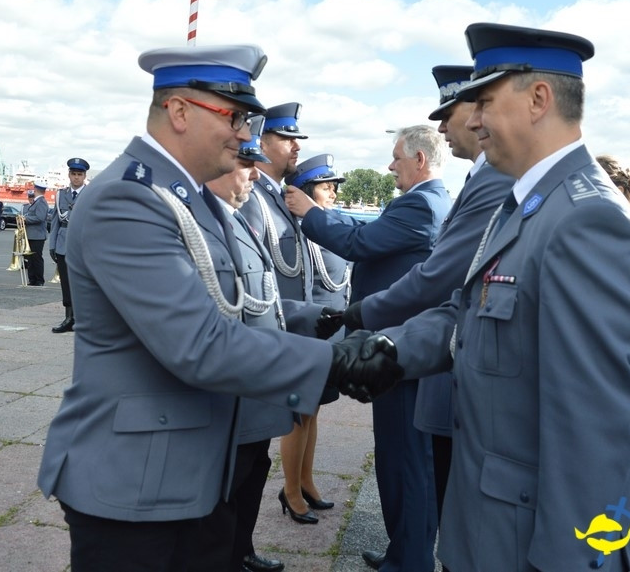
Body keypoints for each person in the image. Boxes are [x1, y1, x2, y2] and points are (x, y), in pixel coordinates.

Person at [36, 44, 398, 572]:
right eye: (235, 117)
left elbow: (236, 306)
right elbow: (197, 343)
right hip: (135, 484)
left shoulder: (193, 199)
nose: (247, 136)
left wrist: (306, 322)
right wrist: (334, 363)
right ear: (180, 112)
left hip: (196, 469)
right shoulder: (130, 200)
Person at [349, 23, 630, 571]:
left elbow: (592, 432)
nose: (474, 119)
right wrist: (389, 350)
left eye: (485, 101)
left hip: (531, 545)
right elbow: (470, 313)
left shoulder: (587, 219)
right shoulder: (528, 201)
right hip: (486, 526)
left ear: (538, 99)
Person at [339, 65, 514, 572]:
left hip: (456, 366)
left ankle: (411, 558)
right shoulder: (482, 180)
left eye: (452, 113)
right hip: (432, 344)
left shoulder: (493, 182)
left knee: (417, 469)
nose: (443, 129)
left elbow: (442, 280)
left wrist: (361, 321)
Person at [286, 124, 451, 572]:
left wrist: (309, 212)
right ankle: (404, 549)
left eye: (397, 157)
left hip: (399, 349)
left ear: (420, 160)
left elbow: (362, 241)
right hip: (405, 343)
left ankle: (410, 558)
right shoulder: (432, 201)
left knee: (404, 460)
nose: (391, 165)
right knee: (404, 458)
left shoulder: (421, 204)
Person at [202, 121, 322, 572]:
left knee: (252, 470)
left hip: (263, 364)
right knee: (232, 482)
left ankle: (240, 552)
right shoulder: (219, 218)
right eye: (245, 162)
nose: (254, 173)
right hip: (242, 374)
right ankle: (232, 554)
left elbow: (268, 288)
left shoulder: (246, 208)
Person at [275, 153, 348, 533]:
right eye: (326, 185)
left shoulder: (328, 226)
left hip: (328, 336)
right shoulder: (296, 232)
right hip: (306, 335)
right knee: (299, 416)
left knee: (314, 413)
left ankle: (306, 480)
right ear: (305, 191)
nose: (334, 191)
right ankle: (290, 490)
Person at [240, 102, 312, 303]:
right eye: (288, 139)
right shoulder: (251, 197)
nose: (297, 146)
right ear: (261, 144)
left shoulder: (282, 196)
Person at [49, 158, 90, 333]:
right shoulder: (61, 195)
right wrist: (52, 245)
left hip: (82, 244)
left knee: (83, 283)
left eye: (79, 174)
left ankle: (83, 318)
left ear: (84, 176)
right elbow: (55, 222)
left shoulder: (90, 193)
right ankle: (69, 318)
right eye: (73, 174)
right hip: (63, 243)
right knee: (66, 282)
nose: (76, 178)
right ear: (69, 175)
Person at [23, 182, 49, 286]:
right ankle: (32, 279)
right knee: (31, 258)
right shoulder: (37, 201)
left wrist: (25, 218)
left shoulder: (41, 202)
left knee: (36, 258)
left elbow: (40, 217)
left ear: (35, 190)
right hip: (32, 234)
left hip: (37, 235)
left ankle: (39, 280)